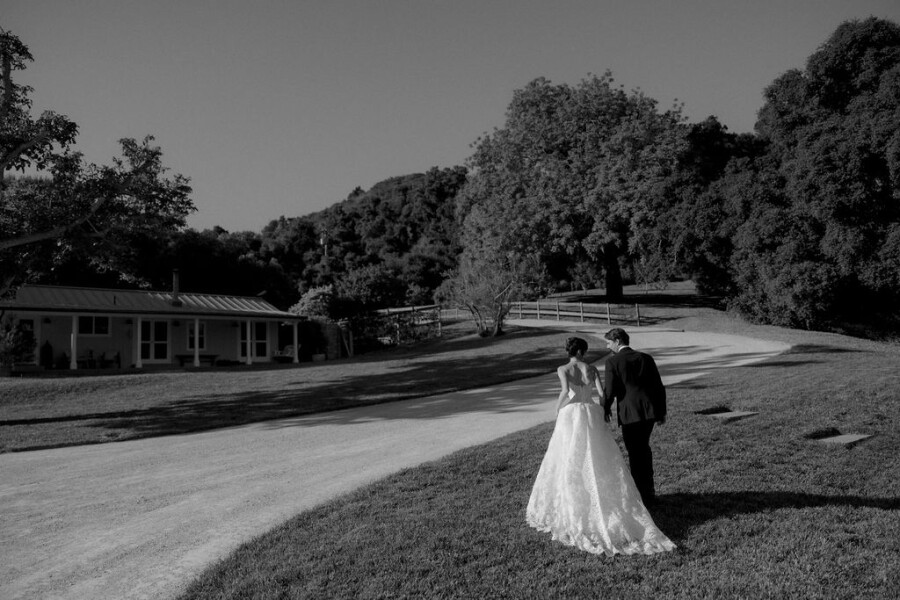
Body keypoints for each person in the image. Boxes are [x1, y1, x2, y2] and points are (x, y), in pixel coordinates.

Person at [526, 336, 675, 556]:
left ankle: (573, 496)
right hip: (590, 412)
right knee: (597, 454)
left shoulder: (563, 369)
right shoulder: (592, 369)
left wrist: (557, 408)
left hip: (571, 413)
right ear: (582, 351)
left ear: (569, 351)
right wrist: (603, 409)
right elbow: (603, 394)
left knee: (569, 454)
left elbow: (566, 392)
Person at [602, 327, 666, 507]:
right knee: (643, 449)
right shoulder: (646, 358)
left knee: (635, 453)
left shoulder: (613, 362)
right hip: (648, 412)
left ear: (617, 341)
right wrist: (661, 412)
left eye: (608, 342)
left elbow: (609, 390)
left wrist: (604, 408)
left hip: (630, 414)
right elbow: (658, 386)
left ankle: (641, 495)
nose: (607, 346)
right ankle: (649, 492)